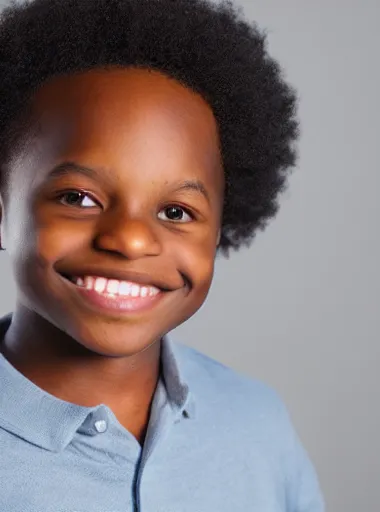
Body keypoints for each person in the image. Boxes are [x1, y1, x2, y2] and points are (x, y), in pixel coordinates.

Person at [0, 0, 324, 510]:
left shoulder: (257, 423)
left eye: (176, 212)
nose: (130, 240)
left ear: (219, 229)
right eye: (78, 198)